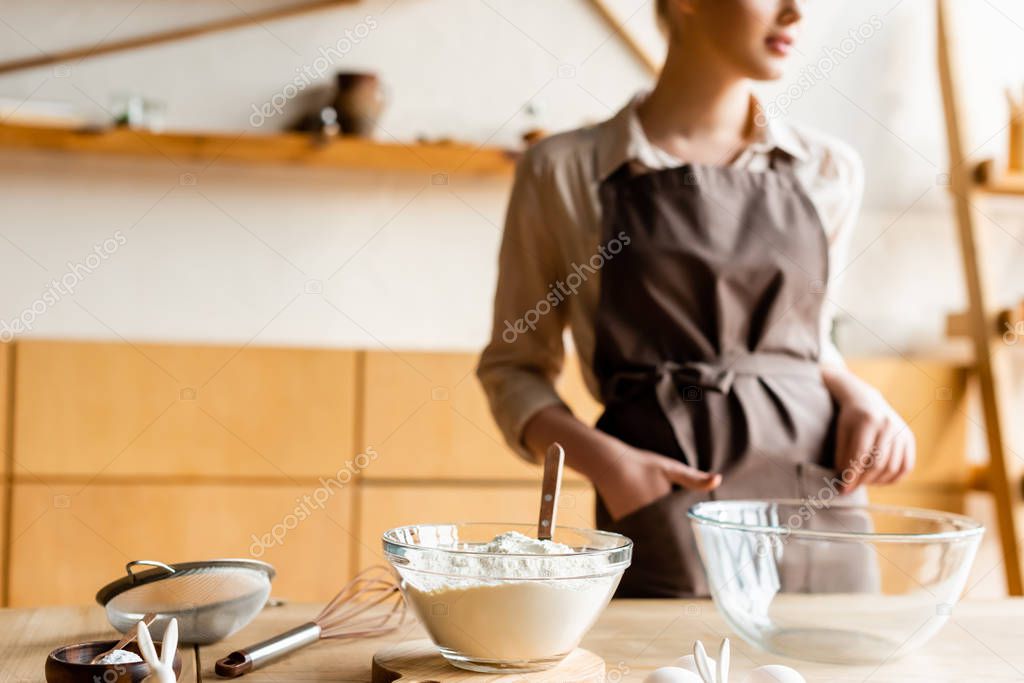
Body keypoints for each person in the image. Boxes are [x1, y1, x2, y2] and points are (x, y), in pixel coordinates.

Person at [477, 0, 916, 597]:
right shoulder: (564, 170)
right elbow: (512, 370)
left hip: (820, 496)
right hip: (663, 502)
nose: (795, 12)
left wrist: (865, 399)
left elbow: (811, 345)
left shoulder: (828, 170)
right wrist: (612, 466)